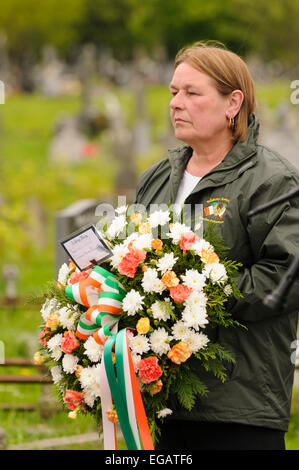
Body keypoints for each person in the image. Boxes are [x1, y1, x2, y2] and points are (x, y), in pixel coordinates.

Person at [134, 41, 299, 450]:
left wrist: (199, 296)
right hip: (165, 400)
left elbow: (287, 275)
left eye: (192, 93)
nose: (176, 103)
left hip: (240, 407)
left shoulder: (271, 181)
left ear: (233, 103)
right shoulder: (156, 178)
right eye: (174, 92)